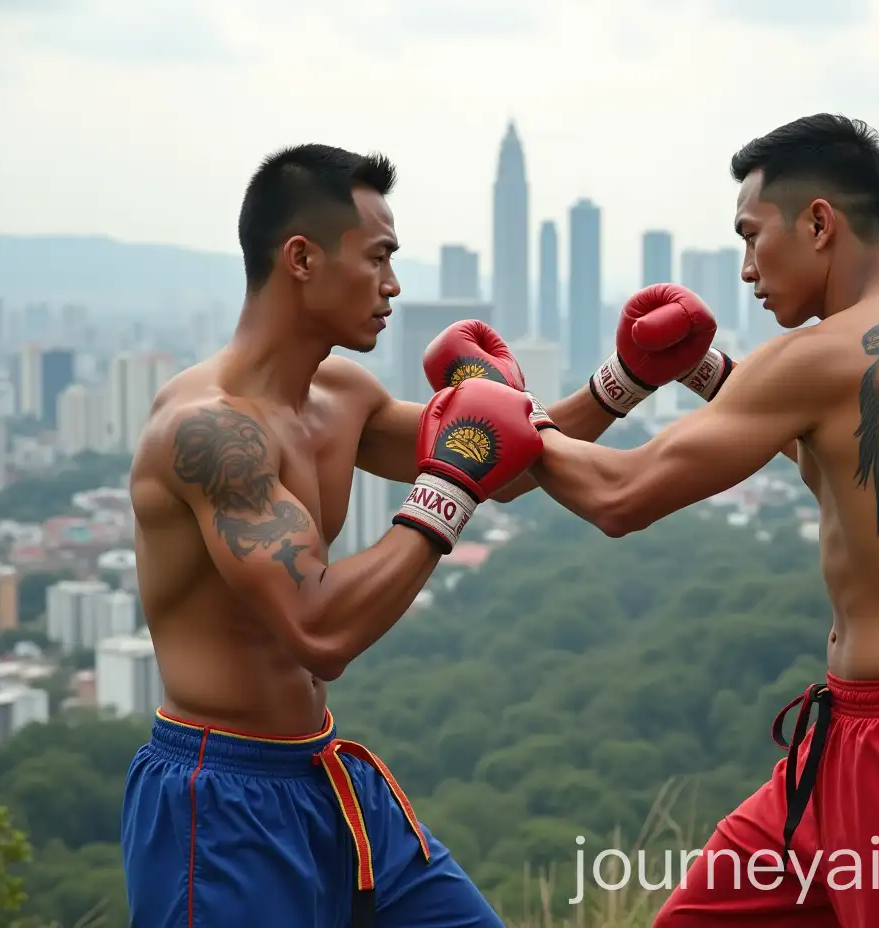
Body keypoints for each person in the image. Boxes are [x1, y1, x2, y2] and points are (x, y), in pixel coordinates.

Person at [120, 143, 719, 927]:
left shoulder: (340, 396)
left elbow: (494, 461)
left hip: (328, 776)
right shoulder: (208, 433)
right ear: (301, 259)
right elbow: (321, 628)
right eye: (378, 258)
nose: (394, 285)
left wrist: (624, 380)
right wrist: (450, 481)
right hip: (218, 803)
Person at [524, 114, 879, 927]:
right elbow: (858, 484)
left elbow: (620, 497)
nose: (744, 268)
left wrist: (505, 422)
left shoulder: (820, 356)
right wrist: (712, 376)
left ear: (819, 223)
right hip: (862, 738)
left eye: (750, 236)